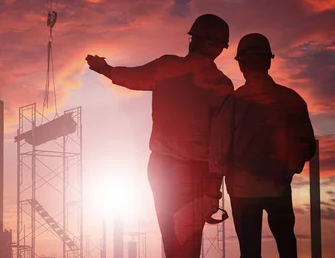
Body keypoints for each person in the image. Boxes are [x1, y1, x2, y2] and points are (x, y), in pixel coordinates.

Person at [86, 13, 234, 257]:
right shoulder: (221, 85)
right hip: (198, 171)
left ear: (193, 39)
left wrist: (105, 69)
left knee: (171, 238)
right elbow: (222, 140)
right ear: (219, 48)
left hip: (162, 168)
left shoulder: (167, 67)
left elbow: (133, 77)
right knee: (188, 240)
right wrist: (214, 182)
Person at [210, 33, 316, 258]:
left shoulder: (232, 103)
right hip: (278, 187)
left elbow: (220, 150)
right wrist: (287, 169)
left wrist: (212, 191)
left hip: (242, 191)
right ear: (268, 61)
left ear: (241, 65)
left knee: (249, 252)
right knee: (287, 247)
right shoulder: (292, 99)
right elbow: (307, 147)